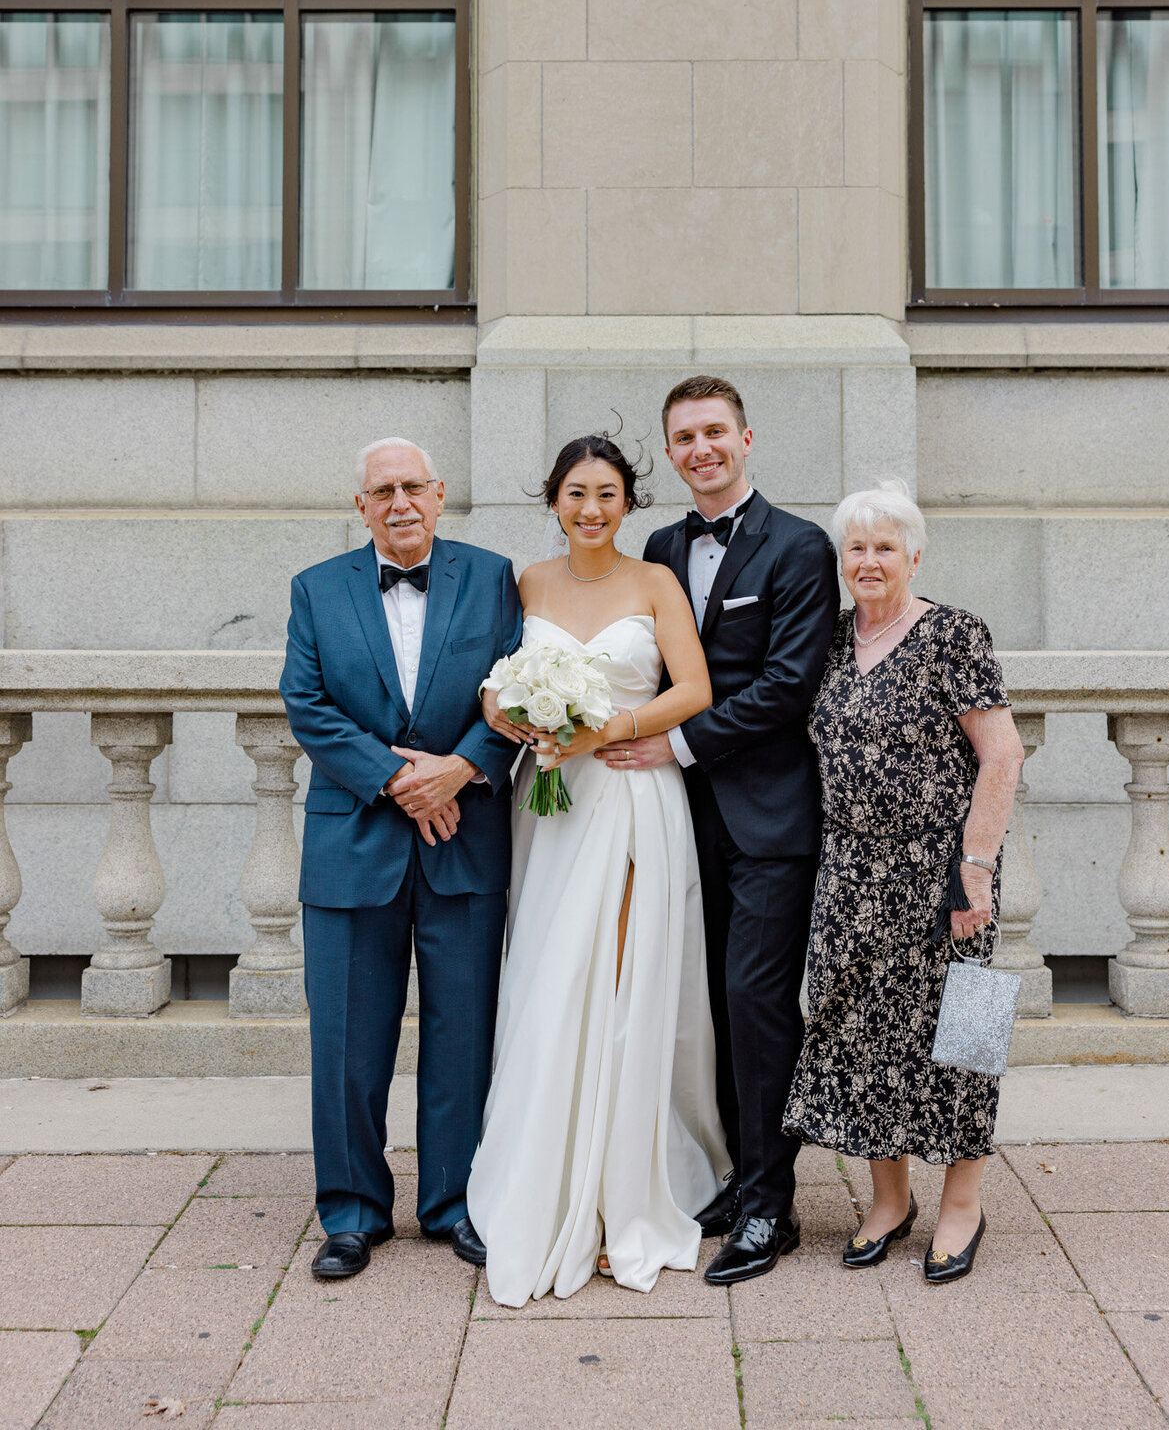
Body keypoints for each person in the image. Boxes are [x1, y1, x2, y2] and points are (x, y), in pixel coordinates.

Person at [469, 434, 729, 1305]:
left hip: (625, 794)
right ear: (554, 499)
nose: (591, 508)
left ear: (628, 502)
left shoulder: (654, 580)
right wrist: (507, 708)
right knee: (551, 977)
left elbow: (692, 688)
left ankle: (624, 1196)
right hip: (547, 802)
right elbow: (491, 682)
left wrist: (607, 728)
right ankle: (545, 1169)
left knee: (619, 979)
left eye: (608, 493)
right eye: (577, 492)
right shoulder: (527, 583)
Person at [602, 375, 840, 1285]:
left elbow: (788, 685)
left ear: (748, 438)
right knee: (706, 1004)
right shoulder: (662, 543)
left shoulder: (799, 545)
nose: (701, 448)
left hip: (769, 816)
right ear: (670, 454)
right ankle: (744, 1175)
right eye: (684, 438)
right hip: (673, 819)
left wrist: (681, 746)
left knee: (756, 1000)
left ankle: (772, 1206)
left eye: (715, 432)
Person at [280, 436, 521, 1281]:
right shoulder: (317, 590)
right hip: (353, 843)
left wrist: (459, 767)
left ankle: (454, 1203)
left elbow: (518, 689)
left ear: (440, 491)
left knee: (463, 1033)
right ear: (361, 508)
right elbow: (306, 705)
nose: (399, 502)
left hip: (465, 837)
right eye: (381, 491)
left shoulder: (494, 578)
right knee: (347, 1038)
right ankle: (350, 1211)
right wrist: (399, 780)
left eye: (412, 485)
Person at [783, 480, 1024, 1284]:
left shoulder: (953, 633)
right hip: (852, 869)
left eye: (885, 545)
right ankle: (890, 1200)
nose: (870, 559)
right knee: (860, 1031)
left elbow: (1003, 753)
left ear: (914, 554)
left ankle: (963, 1202)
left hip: (945, 869)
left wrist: (977, 867)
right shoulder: (828, 642)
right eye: (856, 546)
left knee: (964, 1034)